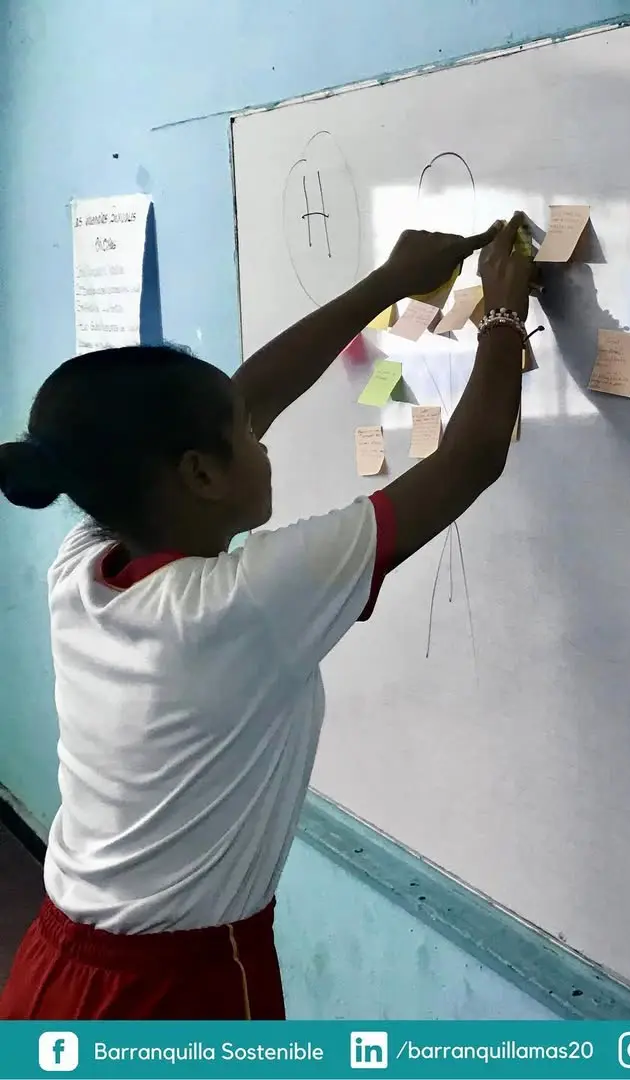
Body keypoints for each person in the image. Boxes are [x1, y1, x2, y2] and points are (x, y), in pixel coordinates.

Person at [0, 212, 533, 1020]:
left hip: (54, 967)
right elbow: (471, 458)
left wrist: (390, 282)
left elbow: (247, 394)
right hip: (170, 994)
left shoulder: (86, 561)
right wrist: (503, 310)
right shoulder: (237, 605)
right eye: (246, 441)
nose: (262, 442)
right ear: (200, 475)